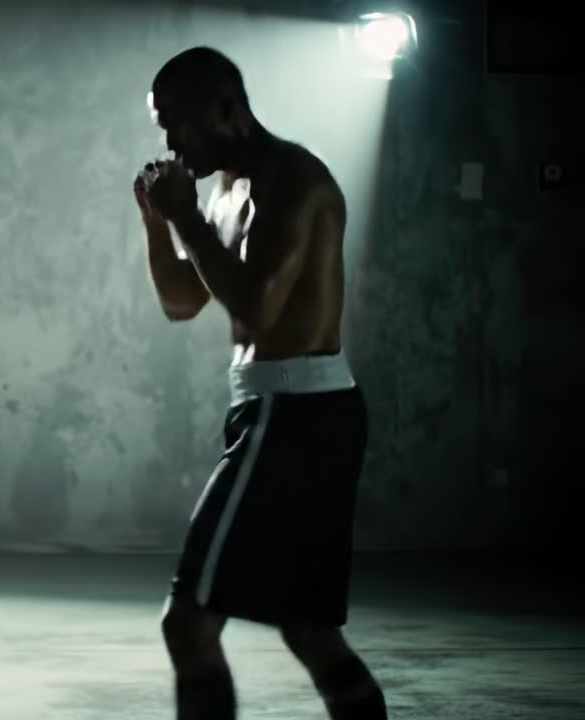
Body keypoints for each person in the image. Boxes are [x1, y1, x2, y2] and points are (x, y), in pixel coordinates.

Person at [132, 47, 387, 720]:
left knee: (186, 623)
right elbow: (184, 300)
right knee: (309, 630)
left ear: (226, 108)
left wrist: (184, 215)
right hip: (286, 410)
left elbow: (256, 310)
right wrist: (158, 224)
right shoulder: (223, 192)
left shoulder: (293, 182)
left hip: (294, 413)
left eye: (177, 123)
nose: (169, 142)